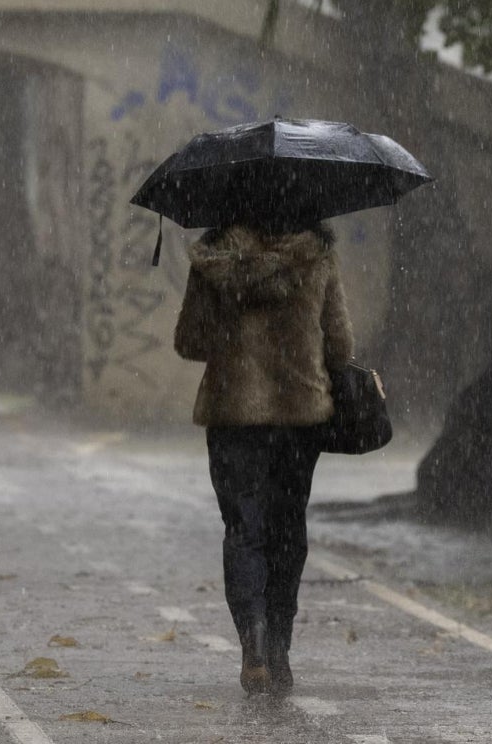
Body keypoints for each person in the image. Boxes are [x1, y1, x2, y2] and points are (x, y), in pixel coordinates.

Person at [173, 221, 353, 696]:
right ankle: (280, 647)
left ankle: (252, 647)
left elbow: (189, 342)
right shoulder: (317, 254)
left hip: (234, 414)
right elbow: (340, 345)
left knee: (244, 530)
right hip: (299, 415)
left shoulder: (213, 260)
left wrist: (231, 323)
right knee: (287, 528)